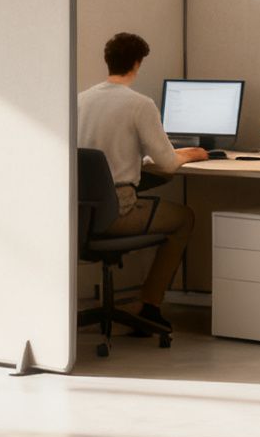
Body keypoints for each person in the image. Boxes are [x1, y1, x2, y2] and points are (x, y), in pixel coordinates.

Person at [77, 32, 208, 332]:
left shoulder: (81, 100)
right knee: (185, 218)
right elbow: (167, 163)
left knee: (147, 191)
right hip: (117, 214)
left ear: (108, 61)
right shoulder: (139, 104)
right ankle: (149, 305)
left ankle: (144, 304)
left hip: (80, 216)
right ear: (137, 63)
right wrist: (190, 155)